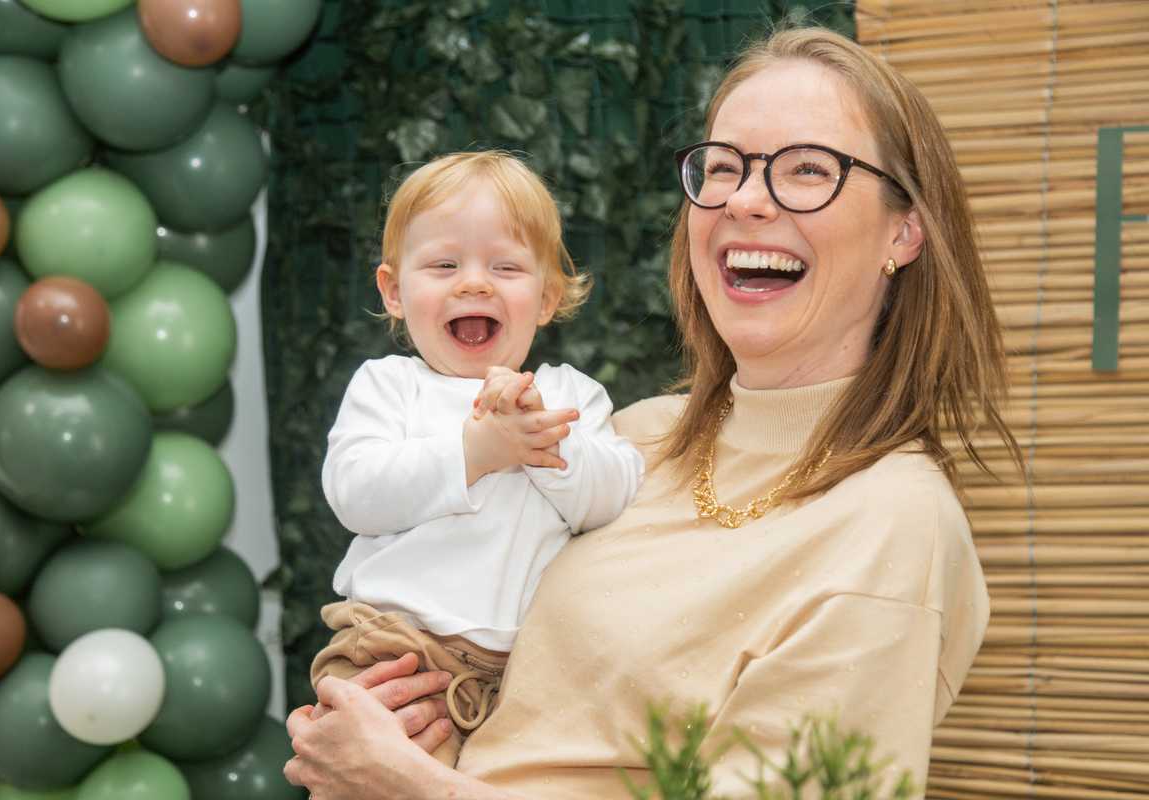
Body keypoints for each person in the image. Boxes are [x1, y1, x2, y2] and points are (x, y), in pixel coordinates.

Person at [285, 25, 1023, 800]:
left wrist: (408, 783)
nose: (745, 199)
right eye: (725, 167)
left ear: (904, 231)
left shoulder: (894, 523)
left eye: (808, 169)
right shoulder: (635, 435)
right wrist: (377, 724)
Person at [310, 150, 645, 766]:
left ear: (546, 299)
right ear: (394, 291)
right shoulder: (389, 386)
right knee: (380, 776)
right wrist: (476, 451)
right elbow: (356, 492)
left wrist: (544, 440)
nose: (473, 283)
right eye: (443, 264)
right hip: (395, 652)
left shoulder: (568, 396)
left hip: (529, 674)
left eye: (505, 266)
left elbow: (614, 493)